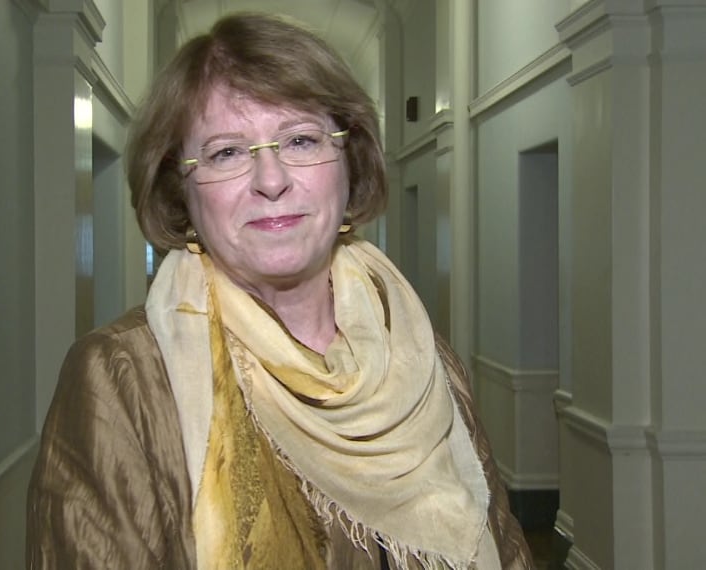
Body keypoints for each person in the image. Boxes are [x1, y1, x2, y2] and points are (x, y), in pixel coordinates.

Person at [26, 12, 533, 570]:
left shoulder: (422, 357)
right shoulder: (122, 382)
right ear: (180, 189)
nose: (271, 180)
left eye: (300, 139)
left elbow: (504, 547)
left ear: (349, 160)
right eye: (226, 152)